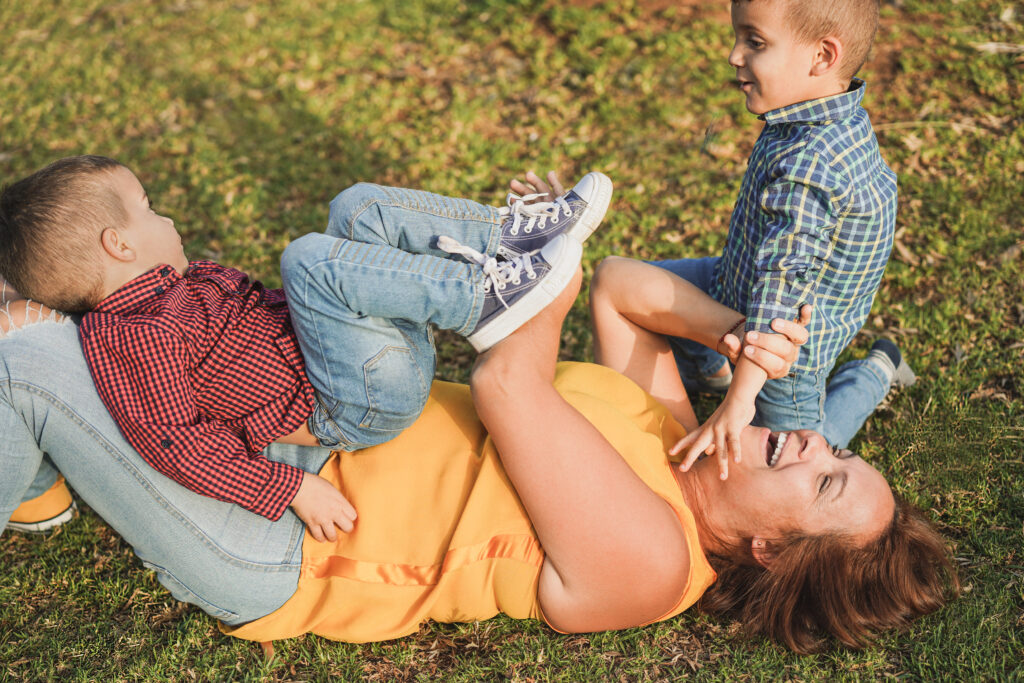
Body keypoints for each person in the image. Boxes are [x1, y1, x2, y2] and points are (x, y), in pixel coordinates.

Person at [0, 259, 956, 654]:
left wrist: (547, 271)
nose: (807, 436)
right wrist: (739, 332)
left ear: (773, 550)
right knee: (131, 304)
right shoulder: (670, 429)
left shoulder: (654, 557)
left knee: (30, 364)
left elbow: (508, 388)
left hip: (277, 547)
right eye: (835, 446)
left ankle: (36, 465)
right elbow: (624, 291)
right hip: (289, 434)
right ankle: (45, 477)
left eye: (824, 475)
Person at [0, 156, 611, 539]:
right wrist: (289, 488)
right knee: (307, 260)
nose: (167, 219)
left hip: (352, 353)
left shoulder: (166, 294)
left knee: (358, 206)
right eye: (148, 209)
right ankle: (483, 299)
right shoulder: (133, 339)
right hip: (353, 401)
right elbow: (179, 444)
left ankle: (511, 243)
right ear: (119, 246)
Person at [581, 0, 913, 477]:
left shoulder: (812, 167)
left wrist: (740, 402)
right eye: (739, 37)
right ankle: (713, 365)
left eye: (755, 42)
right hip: (732, 283)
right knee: (642, 289)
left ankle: (873, 374)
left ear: (822, 57)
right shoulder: (814, 115)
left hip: (783, 358)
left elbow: (783, 292)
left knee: (790, 464)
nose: (734, 55)